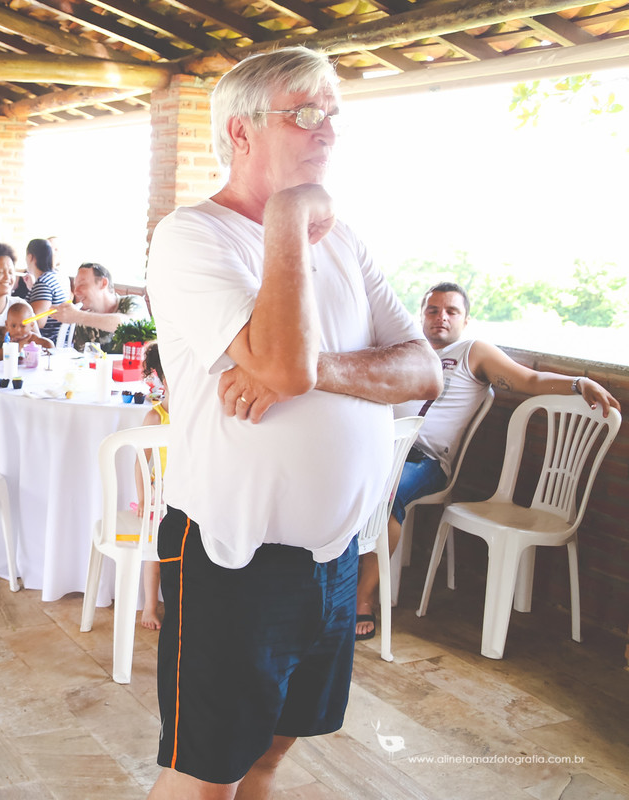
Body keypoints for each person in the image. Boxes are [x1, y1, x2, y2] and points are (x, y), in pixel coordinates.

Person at [146, 47, 441, 798]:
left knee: (274, 752)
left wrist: (319, 372)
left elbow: (423, 371)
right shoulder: (192, 237)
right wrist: (288, 212)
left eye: (334, 113)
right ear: (240, 133)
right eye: (306, 113)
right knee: (205, 774)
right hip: (232, 555)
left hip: (335, 557)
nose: (330, 130)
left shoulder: (346, 240)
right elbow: (280, 363)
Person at [354, 281, 621, 640]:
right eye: (433, 310)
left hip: (426, 460)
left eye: (451, 311)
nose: (441, 318)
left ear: (465, 320)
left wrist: (578, 382)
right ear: (421, 316)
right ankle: (319, 584)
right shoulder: (409, 349)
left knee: (385, 498)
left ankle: (361, 601)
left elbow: (530, 379)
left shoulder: (472, 352)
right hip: (381, 447)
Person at [134, 341, 168, 631]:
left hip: (189, 493)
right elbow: (141, 463)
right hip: (161, 497)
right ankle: (149, 606)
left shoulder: (196, 415)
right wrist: (144, 496)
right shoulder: (156, 416)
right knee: (153, 556)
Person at [52, 262, 148, 351]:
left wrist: (77, 316)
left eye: (82, 284)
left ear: (103, 283)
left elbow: (129, 325)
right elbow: (82, 362)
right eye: (75, 286)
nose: (76, 291)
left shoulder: (134, 301)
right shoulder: (83, 322)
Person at [24, 238, 68, 343]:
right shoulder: (57, 277)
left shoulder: (43, 283)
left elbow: (37, 322)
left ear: (30, 257)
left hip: (47, 342)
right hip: (59, 340)